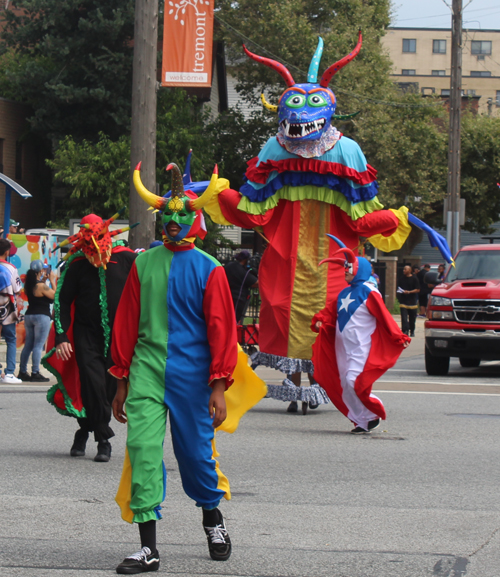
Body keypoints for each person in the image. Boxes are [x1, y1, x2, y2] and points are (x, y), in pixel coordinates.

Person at [112, 163, 267, 573]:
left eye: (182, 215)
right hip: (145, 370)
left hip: (193, 375)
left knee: (196, 456)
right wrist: (122, 379)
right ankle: (148, 548)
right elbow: (127, 323)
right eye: (168, 215)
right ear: (160, 219)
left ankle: (212, 518)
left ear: (194, 219)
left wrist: (218, 385)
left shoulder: (209, 268)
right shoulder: (143, 265)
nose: (174, 221)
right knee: (142, 450)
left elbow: (221, 330)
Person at [43, 212, 137, 462]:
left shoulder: (128, 260)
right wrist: (62, 336)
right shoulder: (78, 265)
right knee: (92, 382)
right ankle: (103, 439)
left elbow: (144, 296)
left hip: (118, 338)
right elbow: (62, 300)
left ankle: (84, 429)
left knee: (108, 388)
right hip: (85, 335)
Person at [311, 235, 410, 433]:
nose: (345, 271)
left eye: (348, 267)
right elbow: (330, 312)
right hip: (342, 347)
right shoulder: (343, 293)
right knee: (344, 384)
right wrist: (320, 319)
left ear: (359, 270)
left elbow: (383, 315)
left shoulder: (368, 291)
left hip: (361, 345)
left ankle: (372, 410)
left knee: (353, 381)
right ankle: (362, 420)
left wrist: (398, 335)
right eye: (345, 268)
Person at [18, 260, 57, 382]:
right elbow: (55, 296)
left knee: (28, 345)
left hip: (29, 316)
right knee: (38, 345)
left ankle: (22, 371)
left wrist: (43, 280)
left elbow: (38, 293)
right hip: (41, 316)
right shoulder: (41, 286)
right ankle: (35, 372)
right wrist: (52, 281)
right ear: (40, 271)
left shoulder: (30, 285)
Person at [0, 238, 22, 384]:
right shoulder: (11, 268)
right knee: (11, 339)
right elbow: (17, 289)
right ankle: (9, 373)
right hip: (5, 308)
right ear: (7, 252)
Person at [223, 250, 258, 323]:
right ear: (246, 260)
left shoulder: (229, 265)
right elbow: (257, 283)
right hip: (238, 299)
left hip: (225, 297)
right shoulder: (242, 271)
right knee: (234, 321)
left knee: (225, 320)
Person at [397, 264, 420, 337]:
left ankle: (412, 330)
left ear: (409, 270)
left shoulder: (414, 279)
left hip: (412, 301)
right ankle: (405, 330)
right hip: (403, 300)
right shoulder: (401, 278)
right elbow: (398, 287)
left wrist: (409, 292)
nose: (404, 270)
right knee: (404, 317)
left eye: (405, 269)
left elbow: (418, 289)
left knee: (412, 317)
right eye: (403, 269)